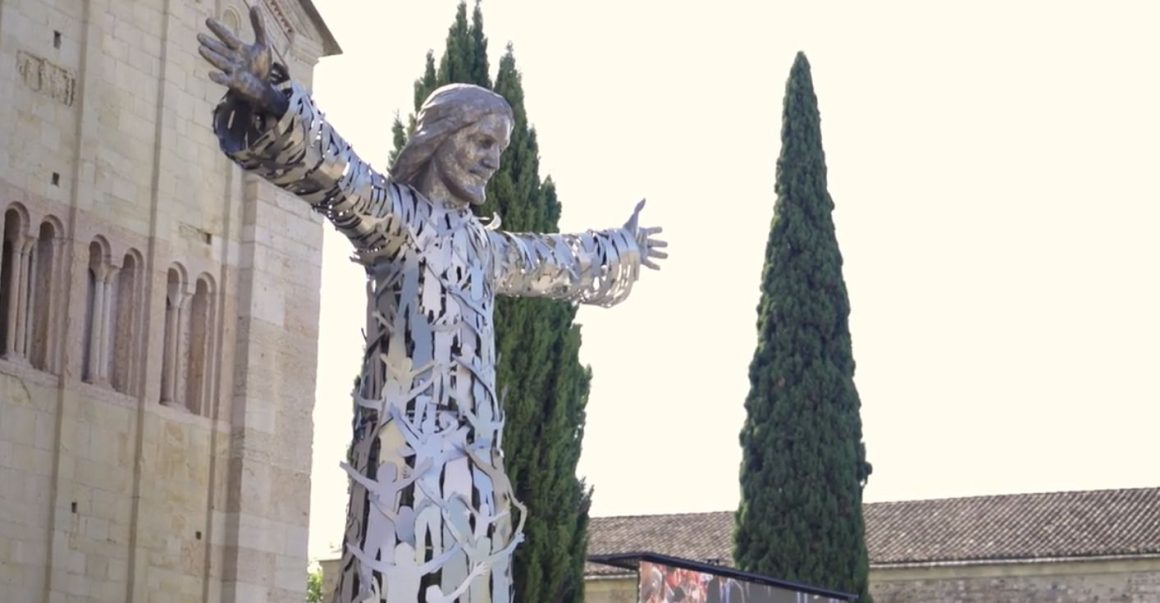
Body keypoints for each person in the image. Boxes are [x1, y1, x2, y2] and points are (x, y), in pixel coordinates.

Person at [197, 8, 666, 603]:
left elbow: (554, 261)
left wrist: (620, 244)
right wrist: (273, 96)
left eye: (501, 146)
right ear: (439, 135)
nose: (493, 158)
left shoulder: (484, 249)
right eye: (481, 140)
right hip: (399, 475)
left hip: (473, 482)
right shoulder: (395, 220)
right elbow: (335, 169)